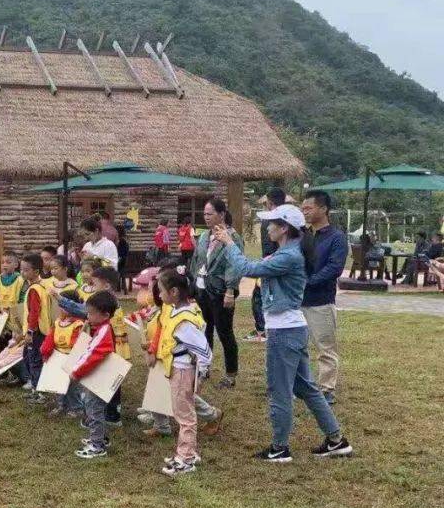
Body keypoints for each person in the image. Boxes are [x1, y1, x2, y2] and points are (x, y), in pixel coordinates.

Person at [217, 205, 354, 462]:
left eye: (271, 223)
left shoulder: (289, 255)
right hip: (291, 328)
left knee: (279, 390)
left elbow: (247, 268)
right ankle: (336, 440)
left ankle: (279, 448)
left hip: (284, 332)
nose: (267, 227)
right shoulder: (290, 250)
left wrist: (228, 242)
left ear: (284, 228)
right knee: (307, 388)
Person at [147, 269, 213, 477]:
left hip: (183, 371)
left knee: (185, 416)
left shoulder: (183, 320)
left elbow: (204, 350)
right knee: (183, 413)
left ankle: (185, 458)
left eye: (161, 291)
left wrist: (201, 374)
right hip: (178, 369)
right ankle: (188, 453)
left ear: (174, 292)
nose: (159, 295)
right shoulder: (179, 311)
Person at [55, 266, 128, 426]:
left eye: (95, 283)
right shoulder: (108, 301)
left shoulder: (106, 304)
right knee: (108, 380)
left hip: (111, 348)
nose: (92, 286)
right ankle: (110, 413)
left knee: (110, 382)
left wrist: (61, 300)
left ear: (106, 285)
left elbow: (82, 310)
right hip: (112, 346)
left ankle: (111, 415)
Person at [299, 190, 349, 405]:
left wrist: (308, 282)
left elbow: (334, 268)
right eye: (303, 209)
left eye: (309, 208)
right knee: (298, 347)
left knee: (325, 348)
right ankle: (301, 385)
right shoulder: (303, 235)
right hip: (298, 301)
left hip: (321, 301)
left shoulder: (336, 238)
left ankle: (326, 389)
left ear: (323, 209)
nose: (305, 212)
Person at [188, 197, 243, 388]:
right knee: (204, 330)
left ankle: (230, 374)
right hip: (202, 291)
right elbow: (196, 261)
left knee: (225, 332)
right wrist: (192, 285)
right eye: (204, 214)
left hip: (221, 292)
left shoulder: (232, 238)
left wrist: (230, 290)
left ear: (221, 214)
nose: (206, 217)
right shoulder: (204, 236)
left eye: (210, 214)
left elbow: (234, 266)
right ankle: (204, 367)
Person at [67, 290, 119, 459]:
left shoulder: (104, 331)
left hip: (98, 377)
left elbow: (93, 354)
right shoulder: (100, 328)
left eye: (90, 313)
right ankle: (100, 438)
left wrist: (76, 372)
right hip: (98, 376)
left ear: (105, 315)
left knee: (94, 409)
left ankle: (97, 445)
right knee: (95, 409)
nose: (87, 316)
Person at [245, 188, 286, 343]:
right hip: (285, 266)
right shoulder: (288, 219)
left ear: (269, 202)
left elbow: (268, 249)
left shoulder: (270, 221)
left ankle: (262, 329)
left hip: (270, 265)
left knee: (259, 298)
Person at [39, 297, 86, 417]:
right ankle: (62, 405)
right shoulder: (58, 322)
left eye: (61, 308)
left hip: (71, 357)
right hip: (57, 356)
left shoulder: (78, 325)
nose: (59, 310)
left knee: (72, 385)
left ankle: (76, 407)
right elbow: (50, 338)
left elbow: (77, 343)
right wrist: (45, 351)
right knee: (58, 382)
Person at [0, 252, 25, 374]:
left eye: (8, 262)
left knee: (15, 345)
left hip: (16, 318)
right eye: (3, 262)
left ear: (16, 264)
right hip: (1, 318)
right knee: (2, 342)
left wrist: (14, 309)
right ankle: (1, 372)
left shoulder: (21, 280)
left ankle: (15, 372)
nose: (5, 265)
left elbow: (23, 298)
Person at [18, 253, 46, 399]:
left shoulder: (34, 289)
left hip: (35, 332)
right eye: (21, 269)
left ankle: (38, 392)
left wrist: (30, 332)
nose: (22, 272)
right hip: (38, 331)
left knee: (34, 361)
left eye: (26, 270)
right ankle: (36, 388)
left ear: (36, 271)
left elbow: (35, 312)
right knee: (29, 358)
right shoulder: (41, 286)